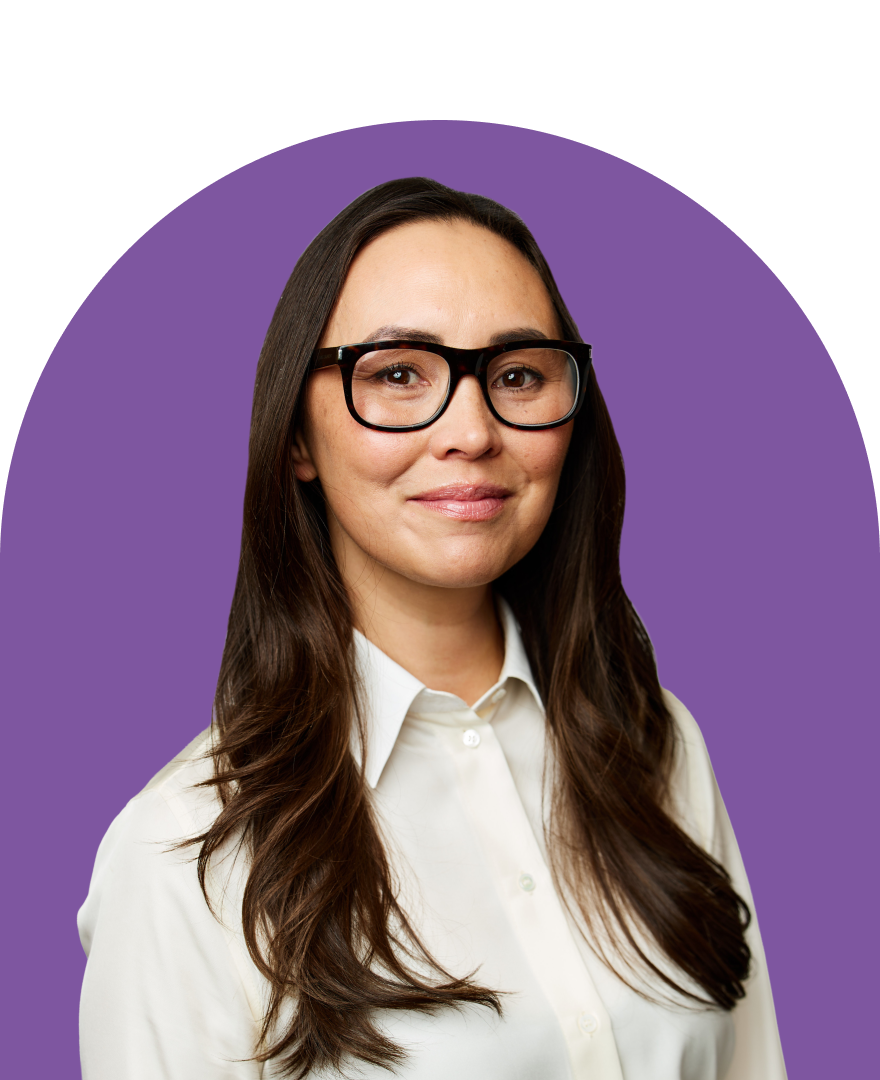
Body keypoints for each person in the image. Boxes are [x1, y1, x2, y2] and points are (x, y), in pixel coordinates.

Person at [77, 177, 788, 1079]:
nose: (472, 429)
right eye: (399, 374)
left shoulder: (658, 746)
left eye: (518, 375)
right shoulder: (183, 855)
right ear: (297, 435)